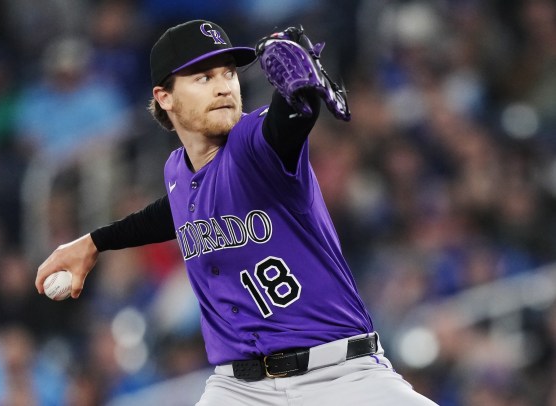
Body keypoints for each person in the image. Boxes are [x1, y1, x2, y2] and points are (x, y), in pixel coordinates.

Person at [35, 20, 437, 405]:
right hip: (240, 389)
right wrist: (95, 241)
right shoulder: (177, 170)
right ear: (165, 97)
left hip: (340, 377)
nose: (224, 87)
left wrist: (297, 96)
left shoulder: (252, 142)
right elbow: (172, 212)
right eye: (204, 78)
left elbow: (285, 125)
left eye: (228, 73)